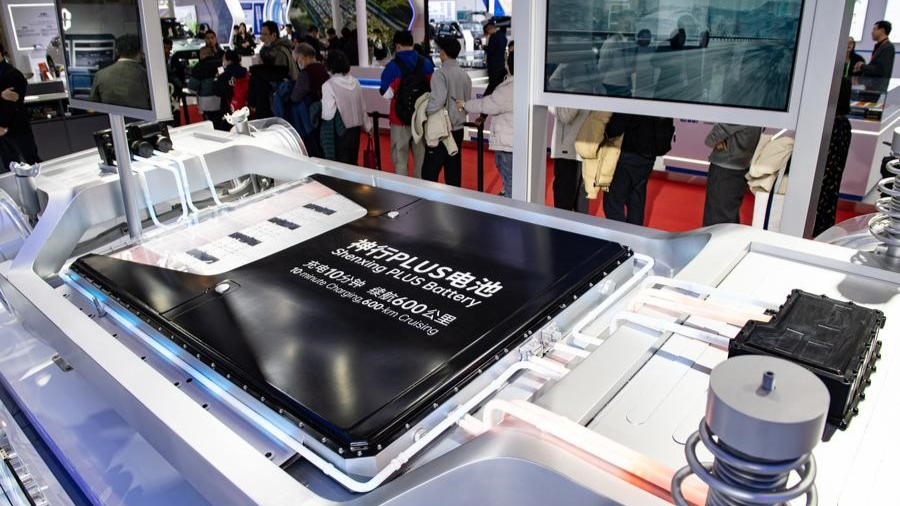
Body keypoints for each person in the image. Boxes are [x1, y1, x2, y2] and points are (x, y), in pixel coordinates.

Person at [458, 51, 515, 197]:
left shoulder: (509, 88)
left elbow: (487, 104)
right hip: (512, 142)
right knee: (511, 181)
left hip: (508, 144)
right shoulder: (524, 84)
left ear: (508, 65)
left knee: (510, 183)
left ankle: (511, 208)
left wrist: (465, 104)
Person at [379, 30, 434, 178]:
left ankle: (402, 189)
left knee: (400, 159)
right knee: (421, 159)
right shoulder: (426, 63)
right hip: (421, 119)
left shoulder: (392, 67)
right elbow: (433, 90)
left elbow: (386, 94)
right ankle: (420, 188)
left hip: (399, 120)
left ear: (397, 46)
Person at [602, 114, 674, 225]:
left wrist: (605, 132)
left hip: (627, 154)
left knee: (613, 203)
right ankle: (632, 234)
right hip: (648, 157)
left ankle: (619, 234)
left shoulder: (634, 103)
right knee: (636, 201)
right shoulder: (662, 103)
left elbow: (617, 126)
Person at [422, 38, 472, 187]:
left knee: (429, 174)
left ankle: (429, 202)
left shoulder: (440, 74)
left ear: (443, 53)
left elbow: (438, 101)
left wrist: (423, 111)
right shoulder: (465, 76)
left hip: (441, 131)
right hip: (458, 130)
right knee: (453, 175)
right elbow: (466, 103)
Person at [701, 124, 763, 226]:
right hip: (740, 168)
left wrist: (716, 141)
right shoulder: (759, 117)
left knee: (717, 222)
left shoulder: (742, 116)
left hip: (725, 171)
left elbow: (710, 140)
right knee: (728, 219)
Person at [814, 78, 853, 236]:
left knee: (821, 203)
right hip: (832, 177)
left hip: (822, 177)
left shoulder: (831, 124)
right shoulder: (844, 123)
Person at [320, 50, 372, 164]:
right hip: (356, 131)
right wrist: (368, 127)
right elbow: (362, 107)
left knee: (341, 165)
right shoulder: (356, 82)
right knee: (353, 162)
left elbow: (328, 115)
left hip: (340, 132)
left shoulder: (328, 85)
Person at [0, 43, 40, 172]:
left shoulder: (12, 74)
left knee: (30, 160)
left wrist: (3, 125)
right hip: (3, 129)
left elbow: (12, 103)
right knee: (10, 166)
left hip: (15, 125)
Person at [91, 34, 150, 109]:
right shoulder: (147, 75)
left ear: (117, 51)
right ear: (140, 52)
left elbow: (92, 105)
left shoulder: (100, 74)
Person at [291, 43, 330, 156]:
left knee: (316, 150)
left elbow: (295, 97)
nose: (297, 62)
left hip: (313, 117)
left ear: (303, 57)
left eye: (297, 59)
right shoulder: (324, 68)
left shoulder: (306, 73)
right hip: (328, 112)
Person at [550, 107, 590, 211]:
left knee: (563, 203)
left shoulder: (576, 94)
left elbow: (565, 116)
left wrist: (549, 103)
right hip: (579, 149)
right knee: (579, 203)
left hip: (569, 150)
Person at [189, 46, 225, 129]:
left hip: (206, 103)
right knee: (222, 123)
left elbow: (192, 88)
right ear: (212, 54)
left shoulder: (198, 67)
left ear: (201, 54)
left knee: (211, 125)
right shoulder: (220, 64)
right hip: (222, 100)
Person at [855, 20, 895, 92]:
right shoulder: (881, 46)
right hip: (872, 87)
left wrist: (862, 66)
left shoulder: (888, 47)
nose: (872, 32)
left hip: (876, 88)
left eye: (874, 29)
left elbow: (879, 70)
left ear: (882, 31)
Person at [213, 50, 248, 119]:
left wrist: (216, 79)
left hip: (228, 105)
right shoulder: (245, 71)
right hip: (245, 103)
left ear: (229, 61)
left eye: (224, 59)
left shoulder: (223, 74)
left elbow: (217, 91)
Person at [483, 19, 508, 96]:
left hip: (493, 65)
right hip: (501, 64)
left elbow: (491, 50)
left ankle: (485, 99)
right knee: (498, 85)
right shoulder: (503, 36)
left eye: (487, 32)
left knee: (492, 85)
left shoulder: (493, 37)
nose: (488, 34)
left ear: (489, 29)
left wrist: (484, 47)